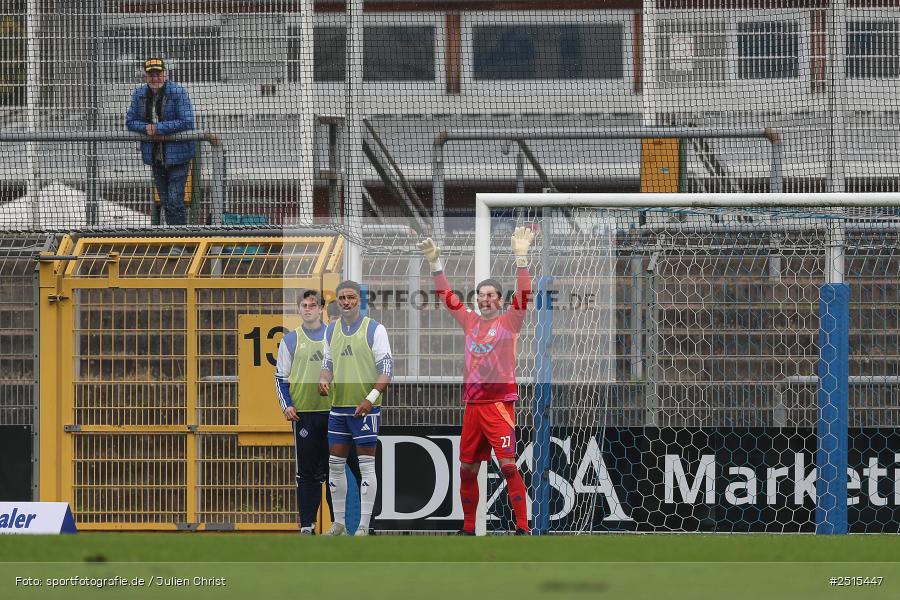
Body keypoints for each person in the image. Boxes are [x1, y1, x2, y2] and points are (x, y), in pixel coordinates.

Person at [418, 227, 535, 535]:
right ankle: (468, 529)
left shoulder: (509, 322)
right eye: (481, 296)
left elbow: (524, 296)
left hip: (498, 405)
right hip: (472, 406)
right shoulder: (469, 321)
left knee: (508, 465)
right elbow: (447, 298)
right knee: (468, 469)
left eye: (490, 296)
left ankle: (523, 527)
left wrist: (521, 260)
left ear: (500, 300)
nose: (484, 300)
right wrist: (435, 265)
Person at [276, 289, 361, 535]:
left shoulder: (335, 335)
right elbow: (280, 377)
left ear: (321, 308)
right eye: (304, 305)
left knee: (336, 469)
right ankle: (306, 526)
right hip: (305, 414)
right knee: (306, 472)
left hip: (334, 412)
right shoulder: (291, 340)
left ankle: (339, 524)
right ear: (298, 309)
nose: (308, 309)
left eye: (313, 305)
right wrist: (287, 405)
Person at [319, 280, 393, 536]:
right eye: (342, 299)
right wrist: (324, 379)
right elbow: (328, 362)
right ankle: (339, 522)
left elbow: (386, 370)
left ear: (359, 300)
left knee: (366, 466)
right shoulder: (331, 330)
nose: (346, 302)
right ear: (337, 301)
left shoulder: (374, 329)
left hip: (365, 409)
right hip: (338, 408)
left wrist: (370, 398)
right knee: (335, 465)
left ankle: (363, 525)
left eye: (351, 297)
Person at [125, 57, 197, 226]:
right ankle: (172, 237)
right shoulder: (139, 94)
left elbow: (187, 121)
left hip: (178, 156)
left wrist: (158, 128)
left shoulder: (178, 92)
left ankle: (180, 240)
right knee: (165, 200)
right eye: (151, 74)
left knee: (174, 200)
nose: (155, 78)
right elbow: (130, 121)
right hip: (156, 157)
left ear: (165, 74)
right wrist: (146, 128)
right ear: (145, 76)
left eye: (158, 74)